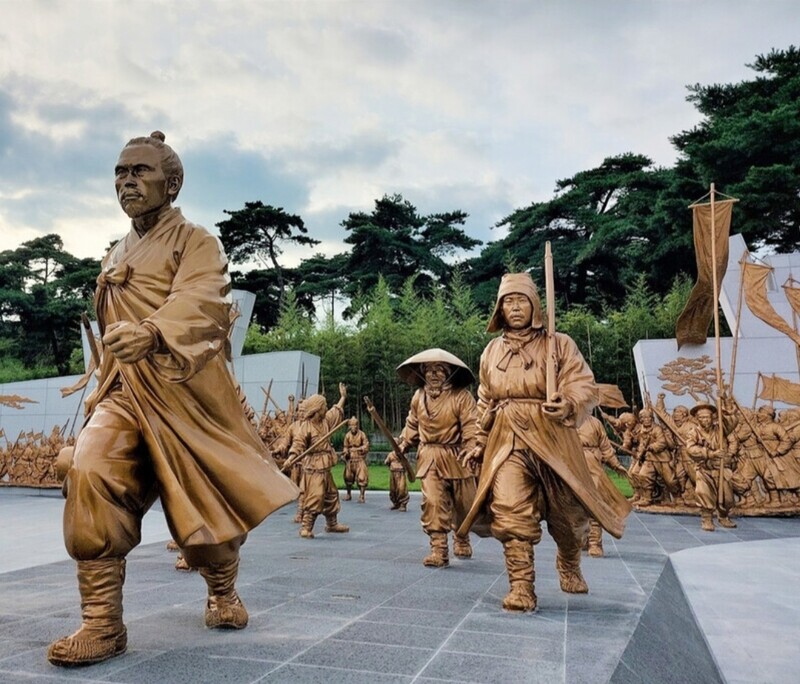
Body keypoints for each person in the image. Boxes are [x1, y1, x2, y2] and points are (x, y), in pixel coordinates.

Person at [47, 132, 299, 667]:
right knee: (90, 471)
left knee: (203, 515)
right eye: (120, 172)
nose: (127, 181)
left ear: (172, 182)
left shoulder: (196, 241)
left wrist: (155, 331)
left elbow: (204, 300)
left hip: (185, 397)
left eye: (140, 170)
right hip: (124, 393)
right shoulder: (116, 251)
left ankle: (222, 588)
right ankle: (103, 624)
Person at [460, 273, 630, 612]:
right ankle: (522, 587)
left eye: (521, 299)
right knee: (509, 509)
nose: (515, 307)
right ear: (499, 309)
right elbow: (484, 400)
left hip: (552, 436)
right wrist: (479, 439)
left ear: (535, 305)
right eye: (508, 301)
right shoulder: (491, 351)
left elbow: (583, 383)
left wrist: (566, 402)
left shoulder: (559, 344)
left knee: (569, 513)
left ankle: (569, 559)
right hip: (506, 436)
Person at [395, 349, 478, 567]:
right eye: (429, 370)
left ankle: (461, 536)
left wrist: (472, 448)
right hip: (429, 455)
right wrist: (404, 442)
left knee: (464, 504)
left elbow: (471, 425)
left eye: (439, 370)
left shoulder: (462, 396)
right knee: (432, 501)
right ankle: (438, 548)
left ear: (449, 373)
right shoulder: (418, 396)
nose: (433, 374)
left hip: (457, 456)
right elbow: (412, 424)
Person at [287, 385, 349, 538]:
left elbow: (336, 411)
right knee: (316, 496)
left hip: (325, 466)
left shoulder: (325, 421)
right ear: (317, 409)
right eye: (324, 406)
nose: (326, 408)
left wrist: (343, 397)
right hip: (314, 467)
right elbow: (297, 445)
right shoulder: (305, 427)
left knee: (331, 495)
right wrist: (291, 458)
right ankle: (306, 527)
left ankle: (332, 523)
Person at [577, 415, 629, 557]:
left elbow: (605, 447)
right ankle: (582, 539)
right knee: (575, 507)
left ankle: (595, 543)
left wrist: (616, 464)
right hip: (573, 465)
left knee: (595, 506)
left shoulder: (595, 423)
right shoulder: (564, 420)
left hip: (593, 467)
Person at [686, 403, 737, 531]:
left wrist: (728, 411)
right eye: (702, 417)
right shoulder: (694, 433)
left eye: (707, 417)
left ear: (712, 417)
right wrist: (710, 453)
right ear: (697, 419)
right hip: (705, 468)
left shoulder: (720, 429)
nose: (705, 420)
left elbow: (731, 423)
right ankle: (707, 519)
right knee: (704, 493)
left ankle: (724, 516)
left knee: (727, 496)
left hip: (721, 468)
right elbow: (691, 449)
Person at [342, 417, 370, 502]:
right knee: (348, 476)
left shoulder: (362, 434)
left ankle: (362, 496)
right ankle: (348, 494)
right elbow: (345, 447)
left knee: (362, 477)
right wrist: (346, 452)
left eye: (355, 425)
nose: (354, 427)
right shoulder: (347, 435)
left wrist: (359, 449)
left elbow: (366, 445)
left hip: (359, 459)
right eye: (352, 425)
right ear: (349, 426)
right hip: (350, 459)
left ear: (357, 426)